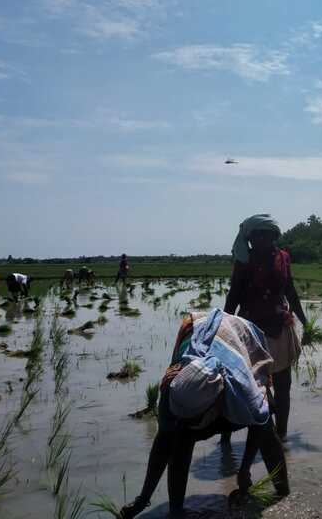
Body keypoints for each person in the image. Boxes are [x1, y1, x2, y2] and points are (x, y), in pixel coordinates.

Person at [120, 309, 289, 518]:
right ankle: (176, 510)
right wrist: (142, 500)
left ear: (215, 406)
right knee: (179, 436)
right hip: (199, 330)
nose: (188, 423)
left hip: (239, 335)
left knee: (267, 433)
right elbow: (162, 444)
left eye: (195, 419)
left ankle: (284, 493)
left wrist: (244, 471)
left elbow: (260, 421)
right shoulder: (172, 389)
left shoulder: (244, 394)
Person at [225, 214, 309, 440]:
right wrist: (223, 326)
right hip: (250, 330)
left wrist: (305, 321)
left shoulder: (283, 257)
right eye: (256, 236)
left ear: (274, 236)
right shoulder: (244, 261)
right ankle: (264, 435)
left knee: (283, 386)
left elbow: (290, 290)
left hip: (279, 328)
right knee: (257, 388)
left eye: (266, 235)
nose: (261, 239)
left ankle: (280, 436)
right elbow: (234, 295)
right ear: (250, 239)